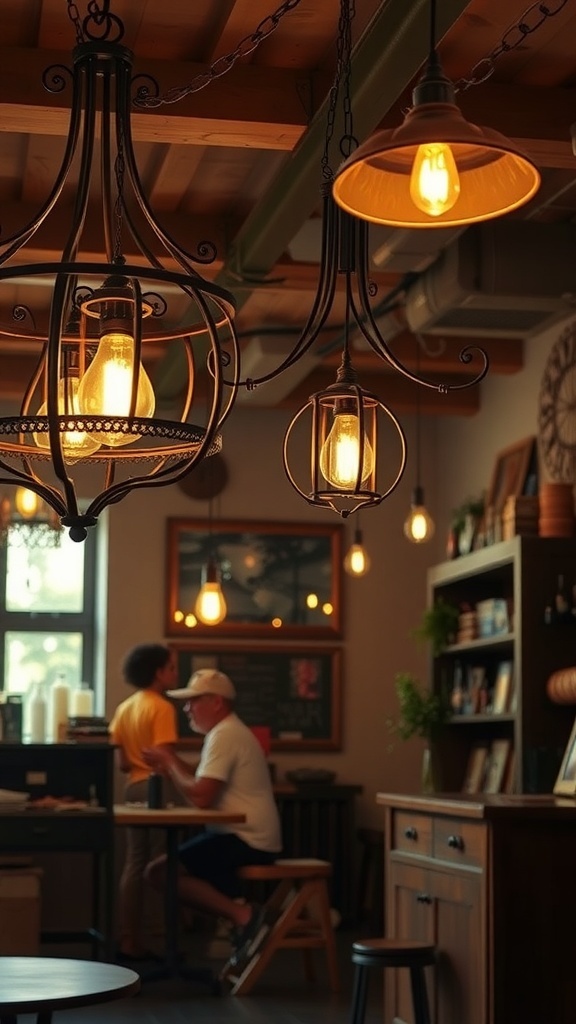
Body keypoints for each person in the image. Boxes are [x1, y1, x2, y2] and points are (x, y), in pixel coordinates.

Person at [142, 667, 282, 965]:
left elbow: (202, 797)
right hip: (240, 835)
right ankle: (238, 915)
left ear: (217, 702)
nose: (187, 707)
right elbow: (200, 778)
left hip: (246, 839)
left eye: (194, 700)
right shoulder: (226, 732)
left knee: (158, 873)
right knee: (165, 869)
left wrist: (168, 761)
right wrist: (171, 763)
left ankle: (244, 916)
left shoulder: (224, 735)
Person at [109, 643, 180, 961]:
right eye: (171, 668)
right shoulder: (162, 708)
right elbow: (165, 759)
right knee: (157, 866)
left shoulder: (125, 708)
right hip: (155, 790)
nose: (175, 674)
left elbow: (123, 763)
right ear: (158, 672)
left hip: (130, 789)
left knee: (134, 864)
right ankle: (158, 937)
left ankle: (128, 938)